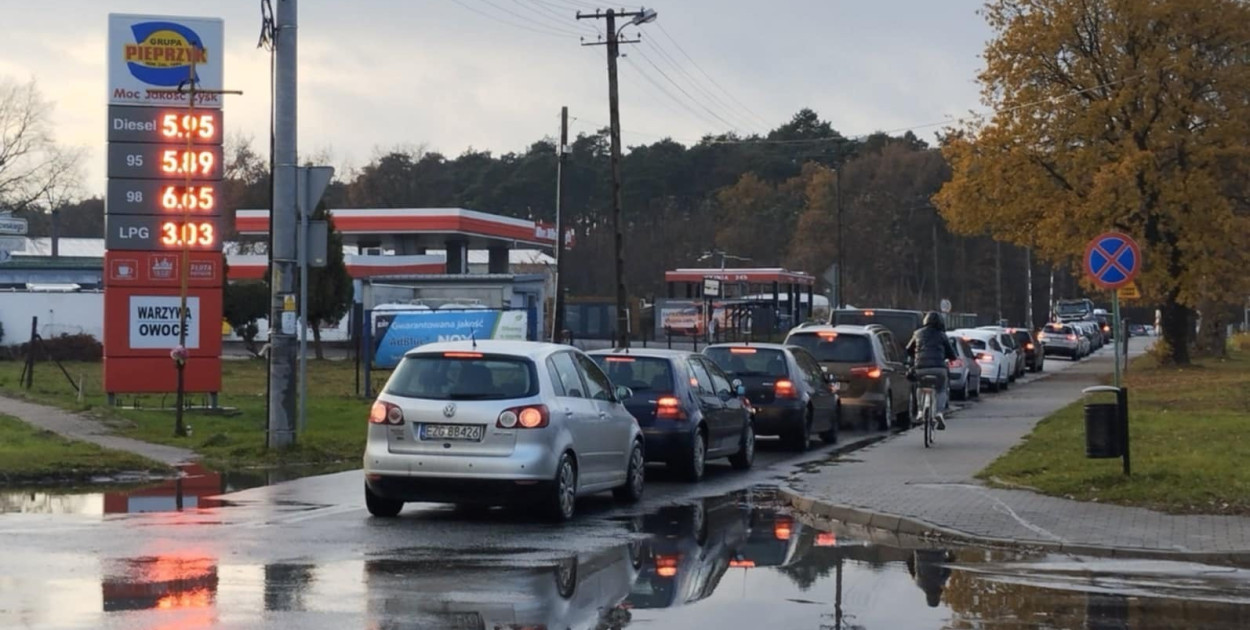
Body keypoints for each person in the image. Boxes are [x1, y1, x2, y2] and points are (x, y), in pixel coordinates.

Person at [905, 311, 958, 430]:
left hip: (921, 368)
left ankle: (919, 411)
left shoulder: (917, 333)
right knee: (941, 389)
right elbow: (952, 354)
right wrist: (950, 357)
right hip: (939, 369)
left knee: (919, 386)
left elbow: (908, 349)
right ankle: (939, 413)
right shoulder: (942, 335)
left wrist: (915, 356)